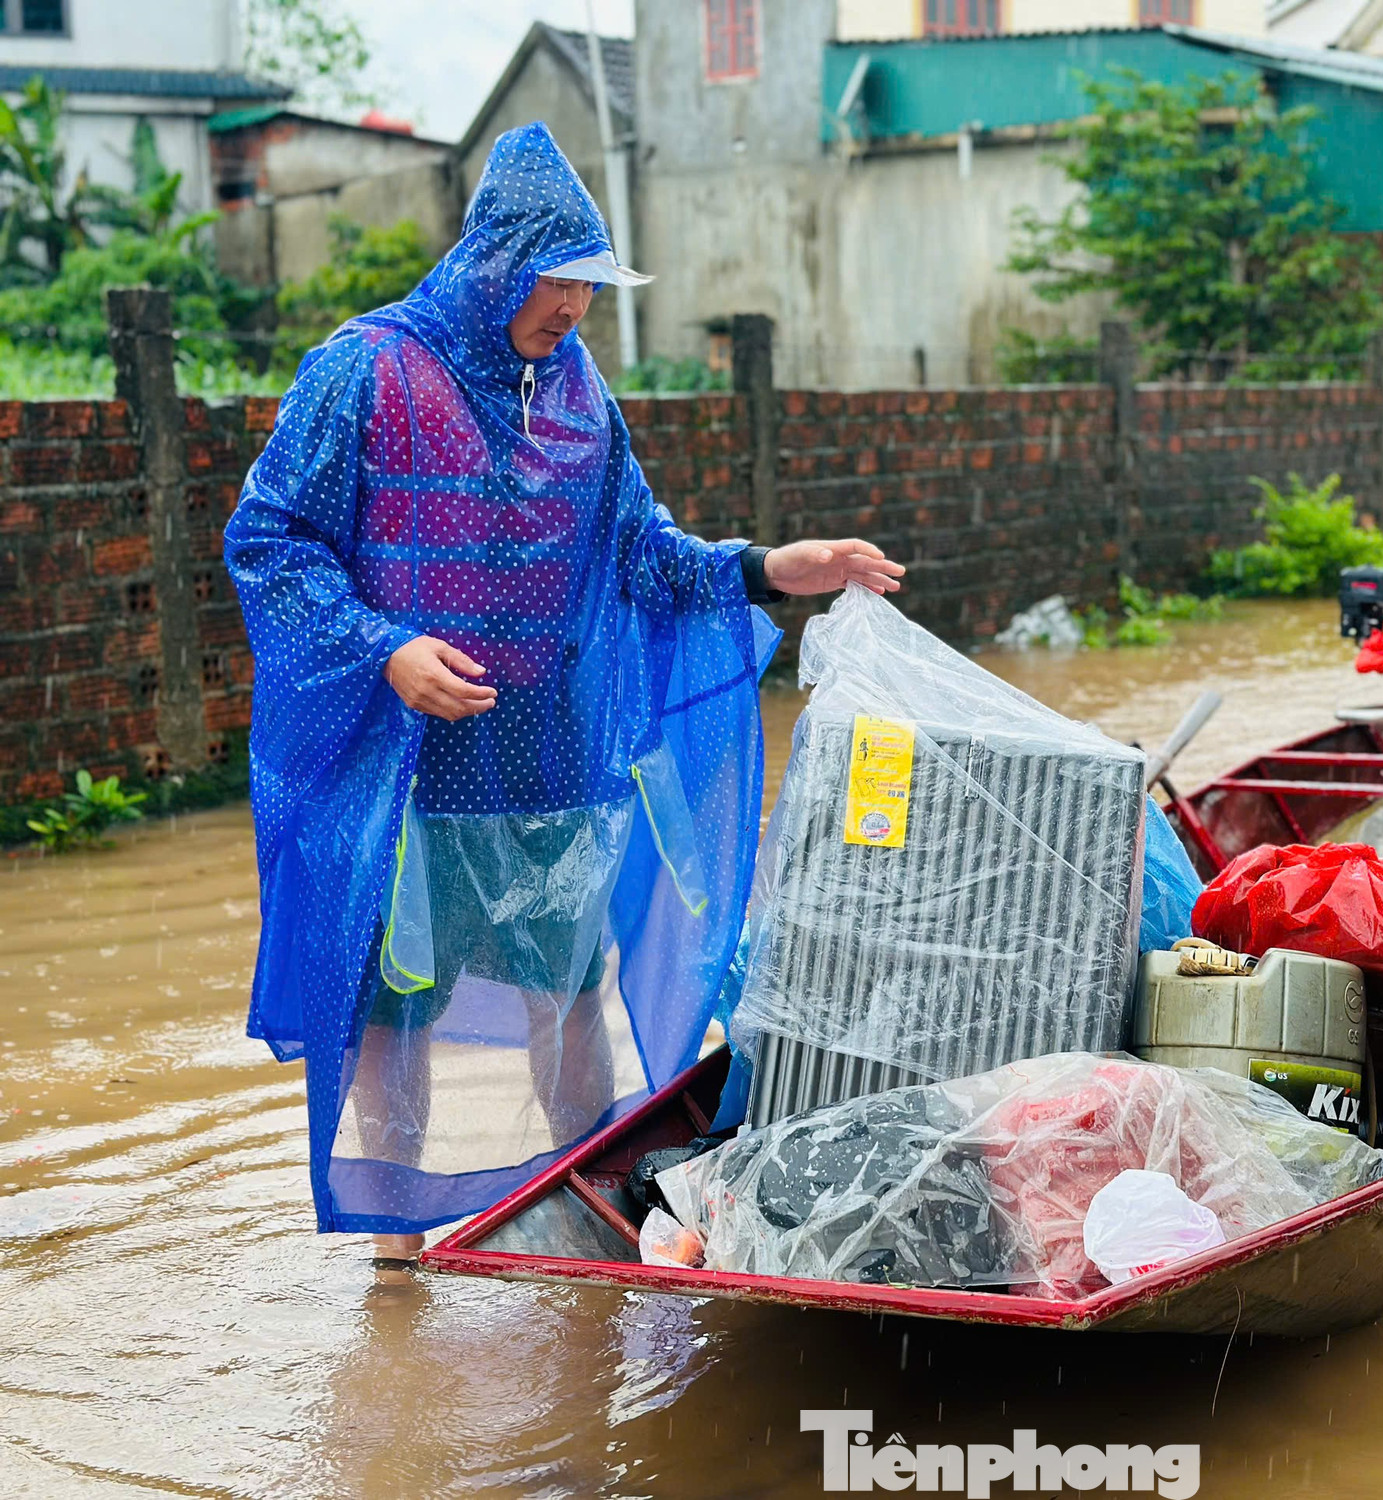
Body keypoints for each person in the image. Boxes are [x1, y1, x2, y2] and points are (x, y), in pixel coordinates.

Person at [224, 123, 901, 1272]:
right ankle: (400, 1276)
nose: (576, 309)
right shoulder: (366, 368)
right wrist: (384, 651)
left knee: (571, 998)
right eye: (560, 283)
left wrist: (763, 568)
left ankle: (592, 1247)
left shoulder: (579, 391)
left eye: (590, 288)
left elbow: (638, 550)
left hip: (552, 768)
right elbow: (270, 540)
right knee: (401, 1017)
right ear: (496, 263)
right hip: (413, 769)